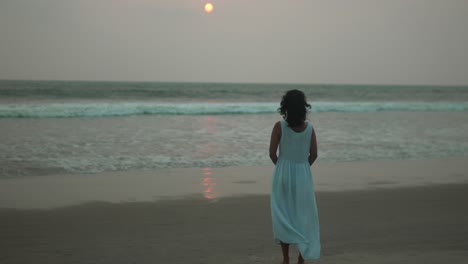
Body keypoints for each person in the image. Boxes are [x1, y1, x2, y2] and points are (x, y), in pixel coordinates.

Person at [269, 89, 320, 264]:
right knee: (304, 216)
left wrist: (283, 167)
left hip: (282, 175)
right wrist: (302, 168)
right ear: (303, 108)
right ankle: (301, 257)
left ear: (286, 107)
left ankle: (285, 258)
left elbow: (271, 153)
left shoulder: (279, 126)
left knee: (283, 215)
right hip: (303, 176)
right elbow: (314, 155)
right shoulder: (310, 129)